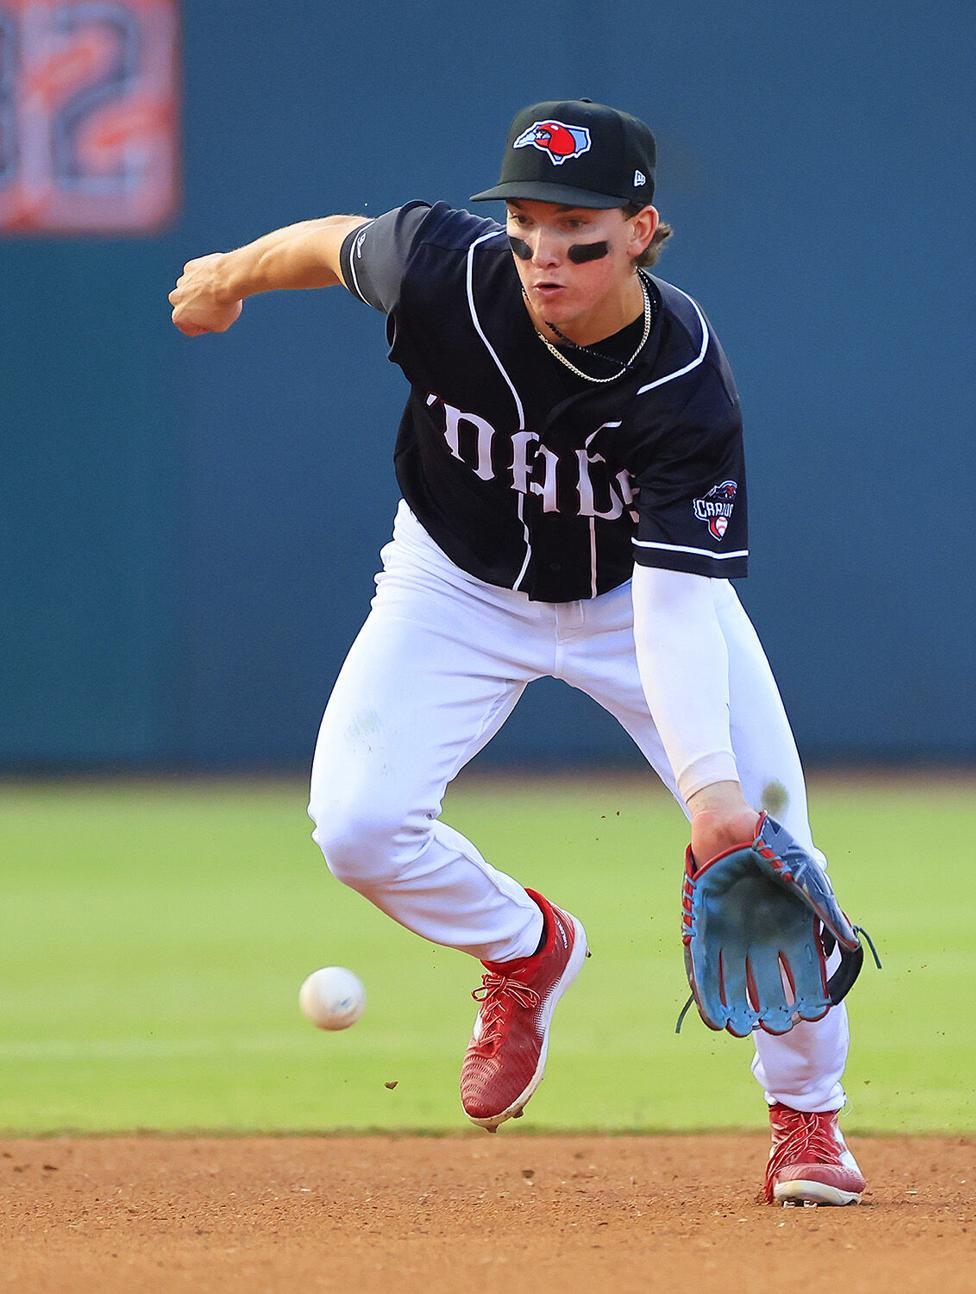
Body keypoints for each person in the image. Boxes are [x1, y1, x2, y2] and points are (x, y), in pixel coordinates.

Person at [169, 99, 866, 1206]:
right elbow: (331, 244)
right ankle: (526, 946)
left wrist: (711, 799)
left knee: (770, 850)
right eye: (528, 225)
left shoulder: (682, 379)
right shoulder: (446, 269)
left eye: (579, 234)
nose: (546, 255)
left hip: (633, 599)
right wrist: (227, 274)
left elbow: (676, 610)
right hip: (454, 584)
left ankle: (808, 1120)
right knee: (356, 826)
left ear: (641, 232)